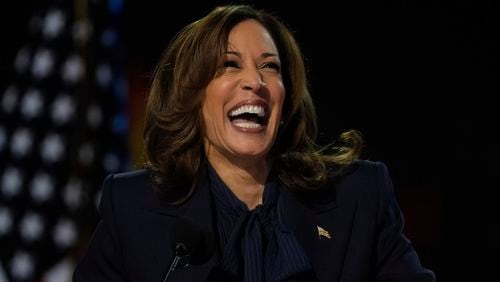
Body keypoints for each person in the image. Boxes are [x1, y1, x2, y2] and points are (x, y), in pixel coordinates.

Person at [73, 4, 435, 282]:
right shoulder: (133, 207)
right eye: (230, 64)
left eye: (271, 67)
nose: (255, 81)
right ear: (192, 96)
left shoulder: (359, 196)